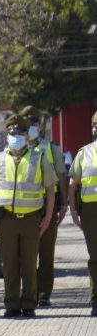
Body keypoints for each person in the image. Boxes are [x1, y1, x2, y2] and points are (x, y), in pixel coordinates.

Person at [0, 114, 56, 318]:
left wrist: (48, 215)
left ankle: (29, 304)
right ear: (7, 135)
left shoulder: (39, 158)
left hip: (32, 219)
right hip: (6, 220)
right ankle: (12, 304)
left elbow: (50, 189)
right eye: (12, 133)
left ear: (27, 135)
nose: (16, 136)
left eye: (20, 133)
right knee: (10, 264)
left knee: (30, 263)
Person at [20, 106, 68, 307]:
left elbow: (61, 177)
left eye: (34, 122)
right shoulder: (14, 150)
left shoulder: (51, 148)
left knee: (46, 253)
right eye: (27, 123)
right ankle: (28, 292)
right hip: (24, 209)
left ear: (40, 125)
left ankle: (44, 293)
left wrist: (64, 203)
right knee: (25, 254)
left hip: (48, 207)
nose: (31, 127)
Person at [66, 111, 97, 317]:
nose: (96, 129)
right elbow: (72, 184)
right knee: (95, 257)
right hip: (90, 210)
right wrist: (73, 210)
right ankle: (96, 300)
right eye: (95, 125)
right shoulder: (84, 153)